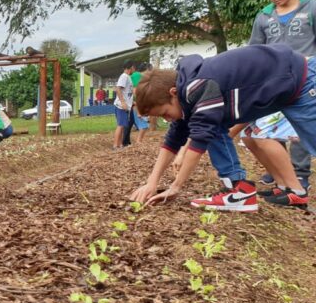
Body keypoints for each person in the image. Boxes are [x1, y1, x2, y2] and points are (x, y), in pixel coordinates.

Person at [128, 44, 316, 211]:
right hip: (285, 86)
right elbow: (172, 140)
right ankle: (239, 189)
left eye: (165, 113)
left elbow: (200, 139)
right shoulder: (186, 95)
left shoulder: (198, 87)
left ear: (173, 93)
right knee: (214, 126)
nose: (168, 119)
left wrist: (176, 186)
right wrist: (152, 183)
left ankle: (242, 190)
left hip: (302, 81)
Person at [247, 0, 316, 200]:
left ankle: (300, 176)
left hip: (307, 79)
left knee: (299, 127)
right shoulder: (264, 16)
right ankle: (280, 177)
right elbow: (255, 49)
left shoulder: (312, 8)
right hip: (274, 80)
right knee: (270, 127)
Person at [112, 61, 135, 149]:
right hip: (121, 106)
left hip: (125, 106)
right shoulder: (124, 76)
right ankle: (115, 145)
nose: (134, 69)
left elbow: (127, 92)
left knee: (122, 126)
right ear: (131, 67)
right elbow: (118, 89)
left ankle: (120, 144)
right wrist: (123, 102)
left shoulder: (127, 77)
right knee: (120, 125)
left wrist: (130, 102)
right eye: (133, 67)